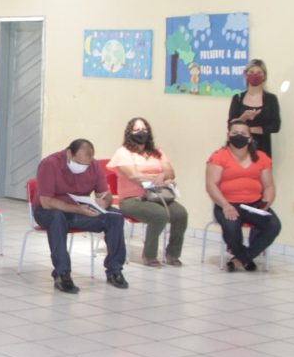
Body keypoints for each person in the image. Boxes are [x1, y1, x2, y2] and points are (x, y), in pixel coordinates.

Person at [34, 139, 129, 293]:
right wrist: (78, 210)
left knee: (115, 216)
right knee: (57, 218)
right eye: (79, 163)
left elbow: (105, 194)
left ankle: (115, 270)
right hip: (48, 211)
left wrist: (104, 202)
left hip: (80, 210)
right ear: (69, 153)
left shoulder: (94, 166)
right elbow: (46, 202)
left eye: (86, 165)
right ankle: (62, 274)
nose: (82, 167)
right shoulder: (50, 164)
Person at [108, 117, 189, 267]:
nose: (141, 132)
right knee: (159, 215)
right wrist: (156, 178)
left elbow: (170, 172)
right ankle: (149, 255)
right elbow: (134, 176)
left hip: (158, 196)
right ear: (130, 133)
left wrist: (162, 175)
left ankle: (173, 254)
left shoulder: (157, 152)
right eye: (137, 129)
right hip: (133, 199)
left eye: (144, 129)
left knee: (181, 214)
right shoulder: (123, 152)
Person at [206, 119, 280, 271]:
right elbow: (211, 185)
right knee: (231, 227)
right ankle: (245, 258)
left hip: (254, 204)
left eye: (243, 133)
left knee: (273, 225)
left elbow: (269, 186)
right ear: (228, 136)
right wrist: (225, 206)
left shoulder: (261, 157)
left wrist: (266, 204)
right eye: (235, 133)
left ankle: (240, 259)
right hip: (227, 204)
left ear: (250, 138)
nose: (238, 136)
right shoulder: (219, 156)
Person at [228, 58, 281, 159]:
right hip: (240, 148)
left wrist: (251, 130)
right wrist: (243, 118)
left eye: (259, 73)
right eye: (251, 72)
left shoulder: (271, 99)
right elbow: (230, 126)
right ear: (246, 75)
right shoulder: (238, 98)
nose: (255, 75)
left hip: (263, 148)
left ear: (264, 76)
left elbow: (276, 126)